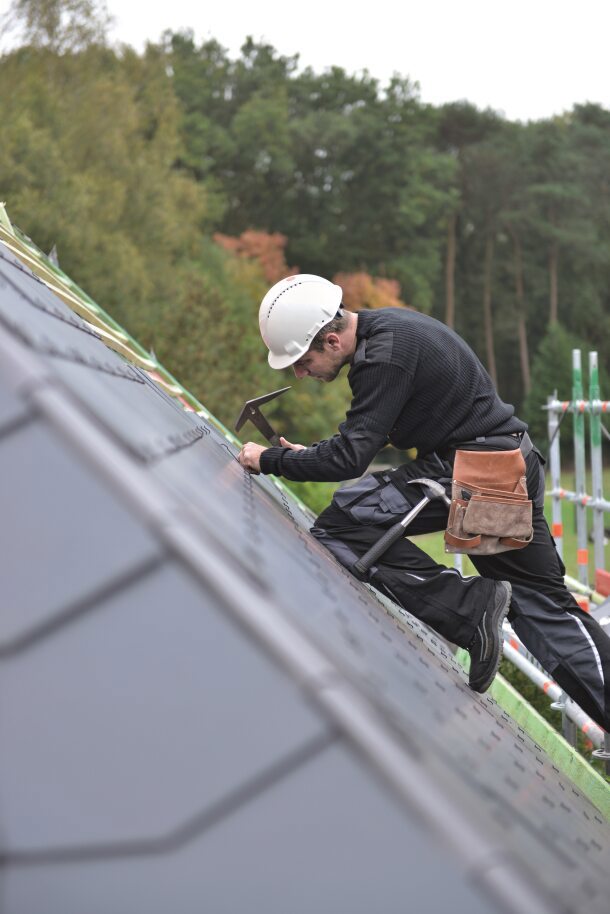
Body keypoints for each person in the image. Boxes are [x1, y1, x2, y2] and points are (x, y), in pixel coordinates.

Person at [238, 274, 610, 731]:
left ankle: (472, 608)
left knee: (343, 524)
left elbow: (351, 457)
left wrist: (267, 460)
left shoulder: (382, 358)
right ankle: (481, 610)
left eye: (303, 360)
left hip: (479, 472)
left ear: (333, 341)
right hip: (504, 462)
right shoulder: (389, 332)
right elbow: (357, 441)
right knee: (544, 608)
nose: (301, 373)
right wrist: (304, 457)